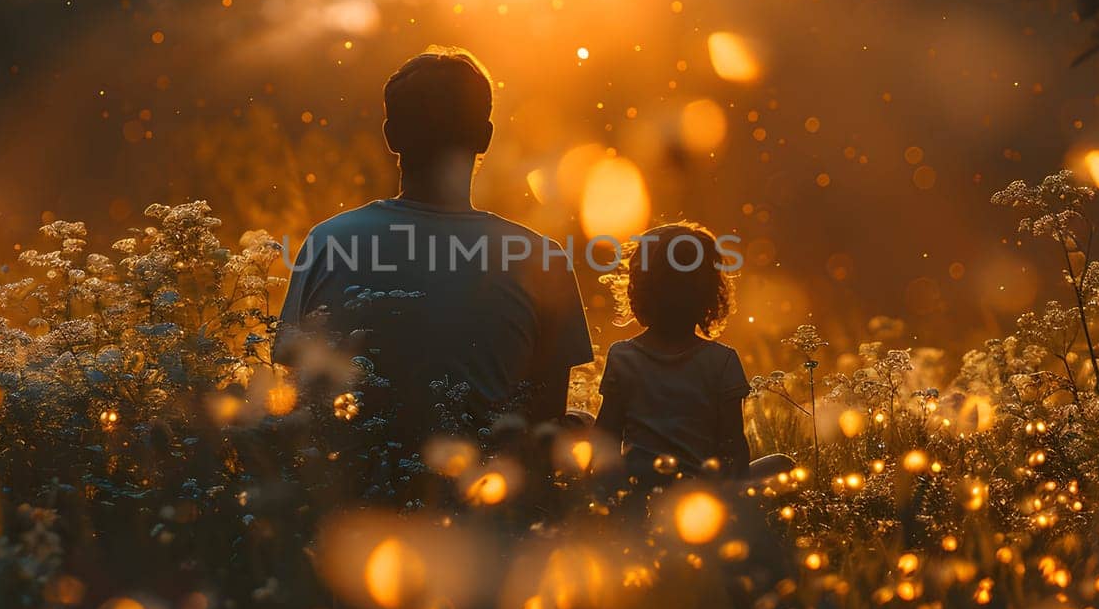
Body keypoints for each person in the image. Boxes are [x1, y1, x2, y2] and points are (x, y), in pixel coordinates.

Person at [275, 46, 592, 433]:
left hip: (341, 486)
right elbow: (543, 423)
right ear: (485, 137)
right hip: (486, 487)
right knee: (581, 425)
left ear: (390, 136)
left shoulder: (328, 242)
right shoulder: (542, 260)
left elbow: (295, 399)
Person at [596, 222, 751, 479]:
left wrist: (607, 499)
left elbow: (606, 439)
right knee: (781, 464)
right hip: (700, 501)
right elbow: (734, 448)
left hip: (639, 491)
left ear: (640, 291)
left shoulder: (623, 357)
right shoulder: (723, 362)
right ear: (709, 295)